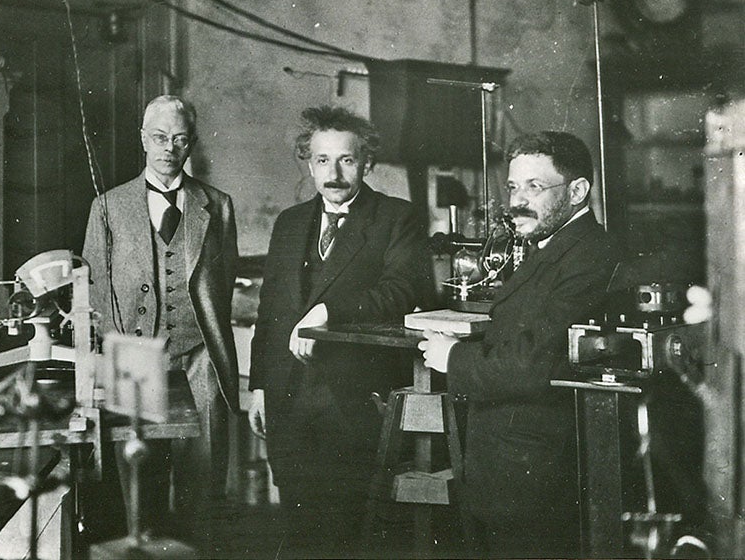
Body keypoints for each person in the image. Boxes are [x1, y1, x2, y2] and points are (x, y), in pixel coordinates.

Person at [419, 131, 616, 559]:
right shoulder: (551, 247)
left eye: (534, 186)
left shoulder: (589, 256)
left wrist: (450, 356)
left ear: (578, 191)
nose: (517, 201)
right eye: (512, 186)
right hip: (514, 464)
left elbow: (534, 364)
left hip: (538, 472)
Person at [248, 105, 434, 558]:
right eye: (323, 160)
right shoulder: (290, 224)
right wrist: (258, 388)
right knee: (300, 525)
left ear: (367, 163)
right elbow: (271, 312)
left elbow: (402, 291)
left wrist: (328, 311)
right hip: (288, 399)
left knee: (353, 531)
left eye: (346, 160)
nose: (334, 173)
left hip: (355, 403)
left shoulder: (397, 218)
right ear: (309, 163)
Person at [82, 94, 238, 550]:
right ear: (142, 140)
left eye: (180, 138)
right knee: (136, 474)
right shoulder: (107, 207)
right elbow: (95, 290)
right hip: (133, 357)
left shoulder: (218, 205)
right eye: (159, 137)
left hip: (201, 354)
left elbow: (222, 282)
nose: (169, 147)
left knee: (203, 477)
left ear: (190, 144)